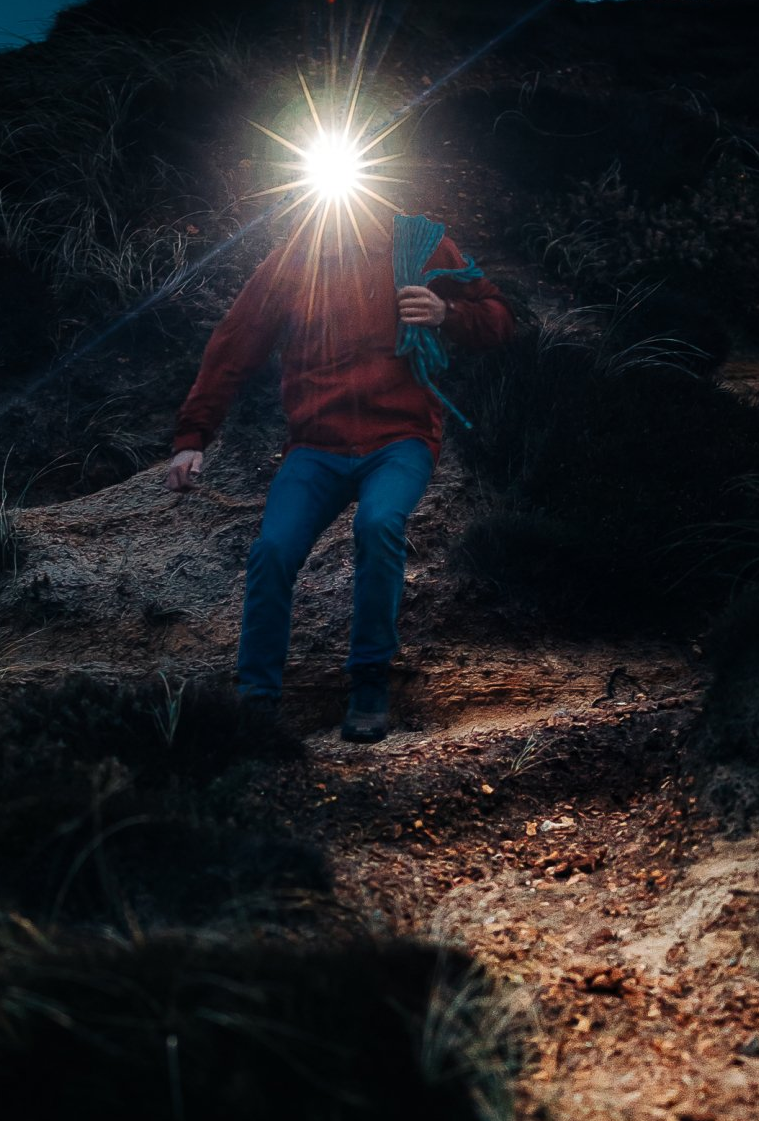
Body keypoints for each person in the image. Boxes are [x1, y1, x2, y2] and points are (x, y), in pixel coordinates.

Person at [163, 203, 514, 742]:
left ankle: (370, 684)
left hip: (400, 437)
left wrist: (448, 315)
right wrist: (193, 438)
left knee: (378, 525)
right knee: (273, 551)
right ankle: (256, 705)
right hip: (316, 446)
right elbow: (233, 348)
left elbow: (497, 315)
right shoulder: (290, 263)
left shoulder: (414, 247)